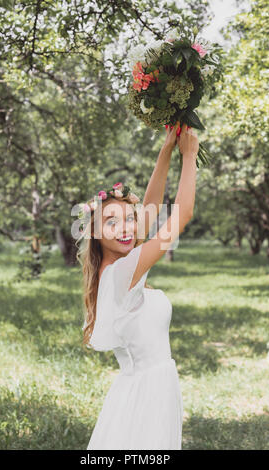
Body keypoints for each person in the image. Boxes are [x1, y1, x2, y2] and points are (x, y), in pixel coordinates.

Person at [77, 122, 198, 450]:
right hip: (147, 398)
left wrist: (166, 150)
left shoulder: (115, 266)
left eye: (128, 219)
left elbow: (150, 209)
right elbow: (182, 213)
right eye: (111, 222)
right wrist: (190, 155)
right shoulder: (122, 272)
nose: (124, 228)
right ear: (95, 233)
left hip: (145, 390)